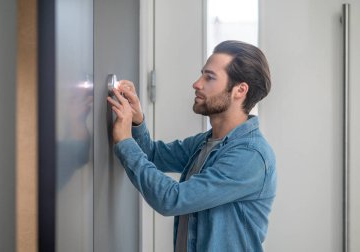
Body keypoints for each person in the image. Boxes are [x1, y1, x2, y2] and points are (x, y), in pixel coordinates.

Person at [107, 40, 276, 252]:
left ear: (240, 90)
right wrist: (136, 120)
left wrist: (125, 141)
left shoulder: (251, 156)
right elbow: (152, 155)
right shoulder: (206, 142)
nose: (197, 84)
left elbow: (172, 199)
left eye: (209, 77)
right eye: (201, 74)